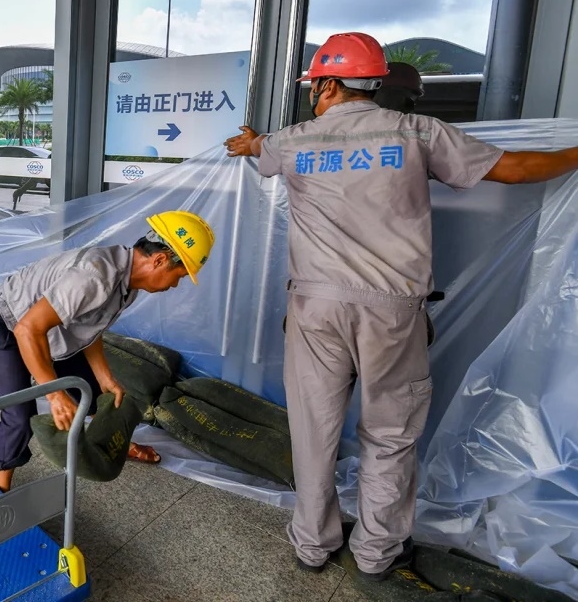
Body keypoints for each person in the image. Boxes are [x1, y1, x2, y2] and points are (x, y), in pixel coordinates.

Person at [223, 32, 578, 582]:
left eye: (316, 86)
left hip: (315, 309)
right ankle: (376, 554)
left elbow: (258, 150)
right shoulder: (416, 133)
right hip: (391, 312)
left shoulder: (295, 140)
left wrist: (251, 142)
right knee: (389, 435)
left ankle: (313, 546)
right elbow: (515, 169)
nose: (313, 95)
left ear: (331, 83)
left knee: (314, 431)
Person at [0, 211, 215, 492]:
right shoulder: (95, 277)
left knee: (95, 393)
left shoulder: (127, 283)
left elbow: (90, 327)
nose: (175, 284)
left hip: (45, 329)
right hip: (7, 324)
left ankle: (102, 444)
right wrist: (54, 394)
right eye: (179, 275)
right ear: (160, 260)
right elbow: (27, 330)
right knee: (19, 416)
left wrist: (104, 377)